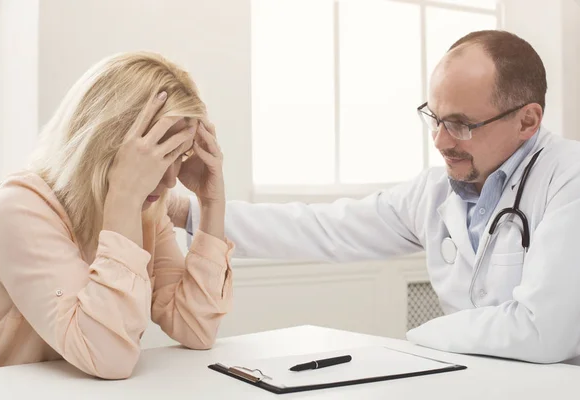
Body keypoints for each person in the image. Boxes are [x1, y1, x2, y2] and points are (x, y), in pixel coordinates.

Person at [175, 30, 580, 364]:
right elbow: (324, 228)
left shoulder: (568, 177)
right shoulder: (434, 192)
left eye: (460, 125)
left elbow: (542, 332)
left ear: (527, 120)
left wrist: (415, 339)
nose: (439, 141)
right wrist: (190, 210)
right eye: (434, 118)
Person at [0, 52, 233, 379]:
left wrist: (211, 203)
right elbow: (107, 357)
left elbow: (195, 327)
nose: (172, 179)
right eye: (160, 155)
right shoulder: (17, 209)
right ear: (107, 142)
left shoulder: (148, 211)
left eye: (179, 156)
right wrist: (124, 198)